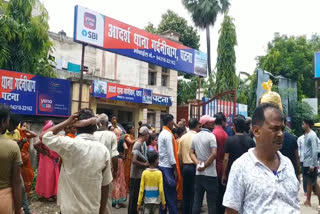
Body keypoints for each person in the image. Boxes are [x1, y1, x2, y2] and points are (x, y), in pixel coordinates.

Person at [223, 103, 299, 214]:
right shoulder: (241, 167)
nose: (281, 134)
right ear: (256, 131)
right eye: (275, 129)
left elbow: (294, 202)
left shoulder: (287, 164)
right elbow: (231, 210)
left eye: (282, 129)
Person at [41, 109, 112, 213]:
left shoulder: (68, 144)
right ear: (94, 127)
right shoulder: (103, 151)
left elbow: (44, 136)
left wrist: (67, 121)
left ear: (76, 127)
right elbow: (105, 186)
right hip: (92, 210)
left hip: (69, 210)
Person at [3, 114, 31, 214]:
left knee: (21, 187)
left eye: (16, 125)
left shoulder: (17, 133)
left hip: (14, 164)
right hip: (4, 165)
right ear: (7, 123)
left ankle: (25, 210)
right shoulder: (3, 132)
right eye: (13, 124)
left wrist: (21, 143)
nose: (14, 127)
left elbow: (17, 151)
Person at [190, 115, 218, 214]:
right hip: (210, 174)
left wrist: (197, 163)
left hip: (199, 174)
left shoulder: (195, 136)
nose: (213, 123)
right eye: (211, 122)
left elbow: (191, 152)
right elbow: (214, 153)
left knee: (197, 201)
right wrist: (205, 165)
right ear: (206, 124)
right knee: (211, 203)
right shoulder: (211, 136)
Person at [94, 113, 119, 213]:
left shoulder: (93, 134)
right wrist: (115, 170)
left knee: (95, 196)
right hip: (107, 170)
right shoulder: (111, 135)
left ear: (99, 123)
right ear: (107, 123)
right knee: (107, 198)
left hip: (94, 168)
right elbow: (114, 155)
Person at [0, 104, 22, 214]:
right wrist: (19, 209)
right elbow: (16, 182)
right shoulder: (12, 146)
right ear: (4, 122)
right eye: (8, 120)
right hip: (3, 200)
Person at [158, 114, 182, 214]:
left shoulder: (162, 133)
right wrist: (175, 169)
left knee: (163, 195)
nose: (173, 124)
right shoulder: (168, 135)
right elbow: (171, 153)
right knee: (171, 196)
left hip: (162, 166)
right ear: (169, 123)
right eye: (172, 122)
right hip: (167, 167)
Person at [222, 116, 255, 186]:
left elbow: (226, 159)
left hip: (232, 172)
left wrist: (224, 174)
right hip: (247, 173)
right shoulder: (250, 141)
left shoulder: (229, 141)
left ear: (234, 126)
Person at [178, 118, 201, 214]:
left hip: (185, 167)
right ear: (196, 126)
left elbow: (179, 154)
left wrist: (181, 166)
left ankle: (185, 211)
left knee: (185, 192)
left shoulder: (183, 137)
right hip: (195, 167)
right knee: (194, 193)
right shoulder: (198, 137)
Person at [34, 121, 60, 202]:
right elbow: (35, 145)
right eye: (52, 126)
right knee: (47, 177)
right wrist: (43, 152)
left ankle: (52, 194)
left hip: (52, 159)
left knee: (53, 176)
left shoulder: (52, 136)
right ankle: (46, 195)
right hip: (47, 159)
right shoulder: (45, 136)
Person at [128, 126, 150, 214]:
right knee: (134, 199)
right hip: (135, 176)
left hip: (139, 175)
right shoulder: (138, 144)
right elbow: (134, 160)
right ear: (145, 134)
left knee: (137, 198)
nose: (148, 136)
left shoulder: (142, 144)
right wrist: (144, 164)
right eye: (148, 134)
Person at [137, 150, 166, 214]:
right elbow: (161, 190)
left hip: (147, 201)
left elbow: (141, 190)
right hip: (156, 202)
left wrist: (139, 203)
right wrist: (163, 202)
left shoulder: (144, 173)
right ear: (156, 161)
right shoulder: (159, 173)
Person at [302, 118, 320, 207]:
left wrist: (313, 164)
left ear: (307, 125)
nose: (302, 126)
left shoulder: (312, 135)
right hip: (306, 163)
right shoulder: (307, 135)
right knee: (309, 183)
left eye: (303, 124)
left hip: (311, 164)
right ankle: (308, 201)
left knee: (314, 184)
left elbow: (314, 150)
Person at [213, 113, 228, 214]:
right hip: (223, 167)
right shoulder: (225, 134)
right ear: (222, 122)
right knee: (222, 193)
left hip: (214, 166)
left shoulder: (213, 134)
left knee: (215, 194)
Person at [19, 121, 37, 194]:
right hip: (19, 158)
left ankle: (27, 192)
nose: (25, 127)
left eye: (26, 126)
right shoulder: (17, 134)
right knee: (20, 175)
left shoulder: (26, 134)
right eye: (23, 126)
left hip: (26, 157)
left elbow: (35, 134)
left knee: (30, 174)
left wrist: (27, 130)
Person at [112, 127, 127, 209]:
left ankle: (113, 200)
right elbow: (126, 148)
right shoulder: (121, 140)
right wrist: (125, 155)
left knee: (113, 180)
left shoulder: (112, 140)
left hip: (113, 160)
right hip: (120, 161)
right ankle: (118, 201)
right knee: (119, 180)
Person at [124, 124, 136, 192]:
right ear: (130, 129)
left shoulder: (132, 136)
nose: (134, 129)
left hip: (131, 155)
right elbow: (130, 142)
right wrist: (138, 139)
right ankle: (126, 187)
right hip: (128, 156)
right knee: (127, 171)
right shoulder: (127, 136)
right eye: (133, 128)